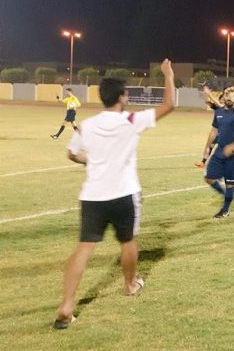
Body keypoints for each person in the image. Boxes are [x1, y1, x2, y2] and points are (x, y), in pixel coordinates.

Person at [53, 59, 175, 330]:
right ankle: (130, 285)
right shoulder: (130, 120)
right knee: (128, 241)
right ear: (121, 97)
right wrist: (168, 75)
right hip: (123, 193)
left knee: (84, 247)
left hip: (92, 195)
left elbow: (72, 153)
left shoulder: (87, 125)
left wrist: (91, 161)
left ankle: (66, 305)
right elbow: (169, 105)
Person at [202, 86, 234, 218]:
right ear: (223, 97)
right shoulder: (219, 112)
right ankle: (226, 194)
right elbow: (214, 131)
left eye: (231, 95)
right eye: (227, 95)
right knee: (208, 178)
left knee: (229, 183)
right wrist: (207, 147)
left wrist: (233, 146)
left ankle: (225, 210)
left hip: (233, 154)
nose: (228, 97)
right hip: (219, 152)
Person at [195, 86, 225, 168]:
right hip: (215, 132)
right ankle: (203, 162)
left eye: (223, 99)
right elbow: (207, 102)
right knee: (210, 146)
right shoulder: (217, 108)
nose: (222, 100)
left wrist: (210, 94)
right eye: (221, 99)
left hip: (225, 133)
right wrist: (206, 94)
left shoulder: (227, 109)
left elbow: (220, 105)